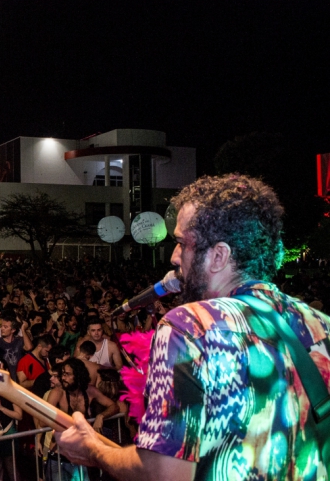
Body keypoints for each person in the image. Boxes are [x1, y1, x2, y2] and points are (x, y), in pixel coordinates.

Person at [55, 174, 330, 480]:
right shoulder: (321, 324)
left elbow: (165, 473)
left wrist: (94, 450)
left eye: (181, 243)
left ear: (218, 256)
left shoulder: (188, 326)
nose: (174, 257)